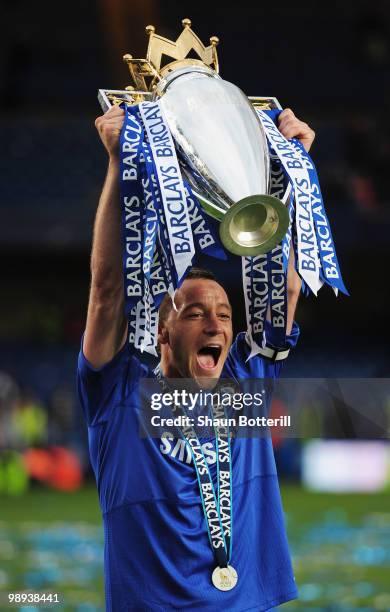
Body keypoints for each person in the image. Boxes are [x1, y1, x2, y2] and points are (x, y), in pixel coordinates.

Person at [77, 105, 315, 611]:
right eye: (195, 314)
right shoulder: (117, 398)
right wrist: (120, 164)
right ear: (163, 332)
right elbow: (106, 292)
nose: (215, 324)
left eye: (226, 315)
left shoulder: (246, 382)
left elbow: (286, 287)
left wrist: (293, 172)